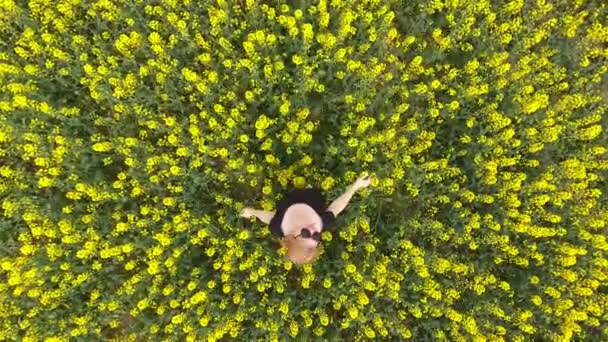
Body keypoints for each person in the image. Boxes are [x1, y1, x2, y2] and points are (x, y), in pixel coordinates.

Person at [240, 175, 373, 264]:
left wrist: (252, 212)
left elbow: (269, 217)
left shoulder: (279, 226)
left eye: (306, 234)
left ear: (291, 237)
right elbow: (337, 206)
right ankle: (309, 186)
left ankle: (295, 186)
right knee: (313, 191)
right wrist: (356, 187)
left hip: (289, 200)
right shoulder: (322, 223)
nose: (314, 230)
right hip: (313, 197)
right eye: (316, 237)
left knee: (286, 195)